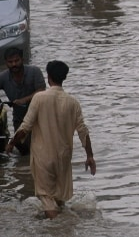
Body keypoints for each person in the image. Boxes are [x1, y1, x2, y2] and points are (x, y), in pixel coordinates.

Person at [4, 60, 96, 219]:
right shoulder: (73, 102)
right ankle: (64, 225)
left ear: (49, 77)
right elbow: (83, 131)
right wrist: (90, 156)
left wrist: (12, 143)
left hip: (43, 158)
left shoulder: (39, 98)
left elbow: (25, 127)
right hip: (64, 157)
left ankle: (56, 229)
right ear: (64, 77)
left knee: (46, 198)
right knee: (59, 198)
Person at [0, 47, 46, 155]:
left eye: (16, 61)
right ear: (6, 62)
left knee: (40, 148)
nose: (14, 64)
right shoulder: (3, 77)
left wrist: (24, 100)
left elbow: (41, 90)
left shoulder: (34, 72)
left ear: (22, 60)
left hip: (39, 116)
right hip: (19, 118)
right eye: (10, 62)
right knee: (22, 147)